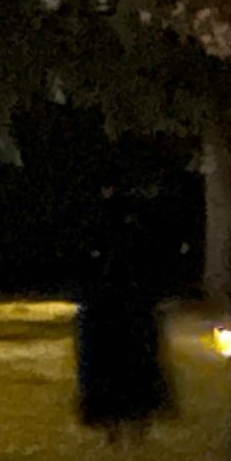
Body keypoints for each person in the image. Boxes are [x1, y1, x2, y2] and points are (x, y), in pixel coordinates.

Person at [74, 188, 173, 445]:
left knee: (114, 366)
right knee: (130, 365)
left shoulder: (106, 235)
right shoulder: (132, 235)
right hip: (125, 309)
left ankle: (118, 426)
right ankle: (128, 425)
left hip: (114, 310)